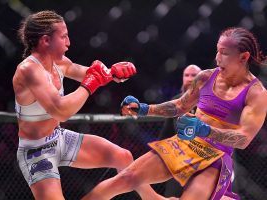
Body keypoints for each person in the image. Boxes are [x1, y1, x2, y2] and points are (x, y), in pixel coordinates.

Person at [82, 27, 267, 200]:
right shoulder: (206, 77)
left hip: (216, 156)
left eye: (225, 54)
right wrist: (145, 109)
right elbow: (179, 106)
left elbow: (244, 139)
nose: (218, 58)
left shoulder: (256, 94)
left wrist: (205, 130)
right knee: (126, 178)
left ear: (243, 57)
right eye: (217, 51)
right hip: (185, 144)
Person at [13, 10, 171, 200]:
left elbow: (88, 73)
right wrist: (90, 84)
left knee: (122, 156)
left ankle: (152, 199)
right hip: (36, 151)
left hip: (58, 138)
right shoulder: (29, 70)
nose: (68, 43)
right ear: (46, 40)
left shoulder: (59, 63)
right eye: (63, 37)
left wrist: (112, 73)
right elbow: (61, 111)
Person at [158, 64, 201, 198]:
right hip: (180, 159)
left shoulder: (209, 100)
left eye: (193, 75)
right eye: (186, 75)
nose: (189, 78)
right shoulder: (176, 101)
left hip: (204, 157)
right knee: (173, 194)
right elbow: (167, 131)